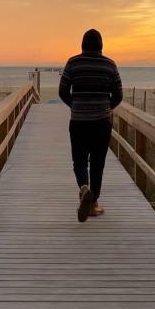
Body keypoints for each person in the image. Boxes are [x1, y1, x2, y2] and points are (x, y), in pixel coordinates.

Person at [59, 29, 123, 222]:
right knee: (97, 163)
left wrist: (76, 105)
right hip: (102, 123)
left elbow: (62, 91)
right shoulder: (110, 65)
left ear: (82, 45)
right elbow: (119, 95)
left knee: (79, 160)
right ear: (101, 46)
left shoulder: (73, 63)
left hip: (78, 122)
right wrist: (105, 107)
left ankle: (83, 187)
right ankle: (93, 204)